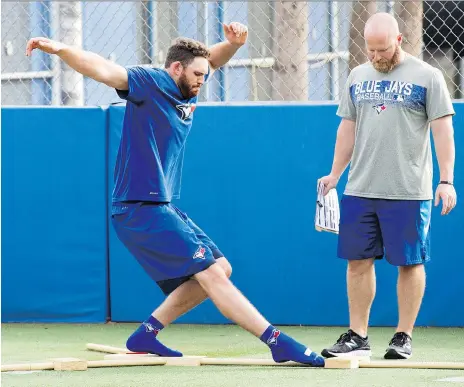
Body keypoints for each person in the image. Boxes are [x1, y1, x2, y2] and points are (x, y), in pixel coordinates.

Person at [26, 22, 324, 367]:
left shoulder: (188, 83)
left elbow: (211, 58)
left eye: (206, 76)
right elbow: (103, 69)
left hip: (160, 205)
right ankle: (276, 341)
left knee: (220, 268)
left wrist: (233, 45)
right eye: (197, 74)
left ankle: (146, 335)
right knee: (210, 274)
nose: (203, 80)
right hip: (139, 206)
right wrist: (60, 50)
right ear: (176, 68)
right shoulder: (152, 83)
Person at [318, 12, 457, 360]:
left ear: (398, 41)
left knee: (409, 263)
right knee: (357, 261)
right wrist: (335, 173)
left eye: (383, 50)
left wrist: (446, 180)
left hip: (408, 190)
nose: (376, 57)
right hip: (360, 187)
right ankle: (357, 336)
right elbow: (347, 128)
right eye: (371, 50)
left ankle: (402, 336)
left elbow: (443, 130)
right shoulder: (357, 75)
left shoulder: (428, 76)